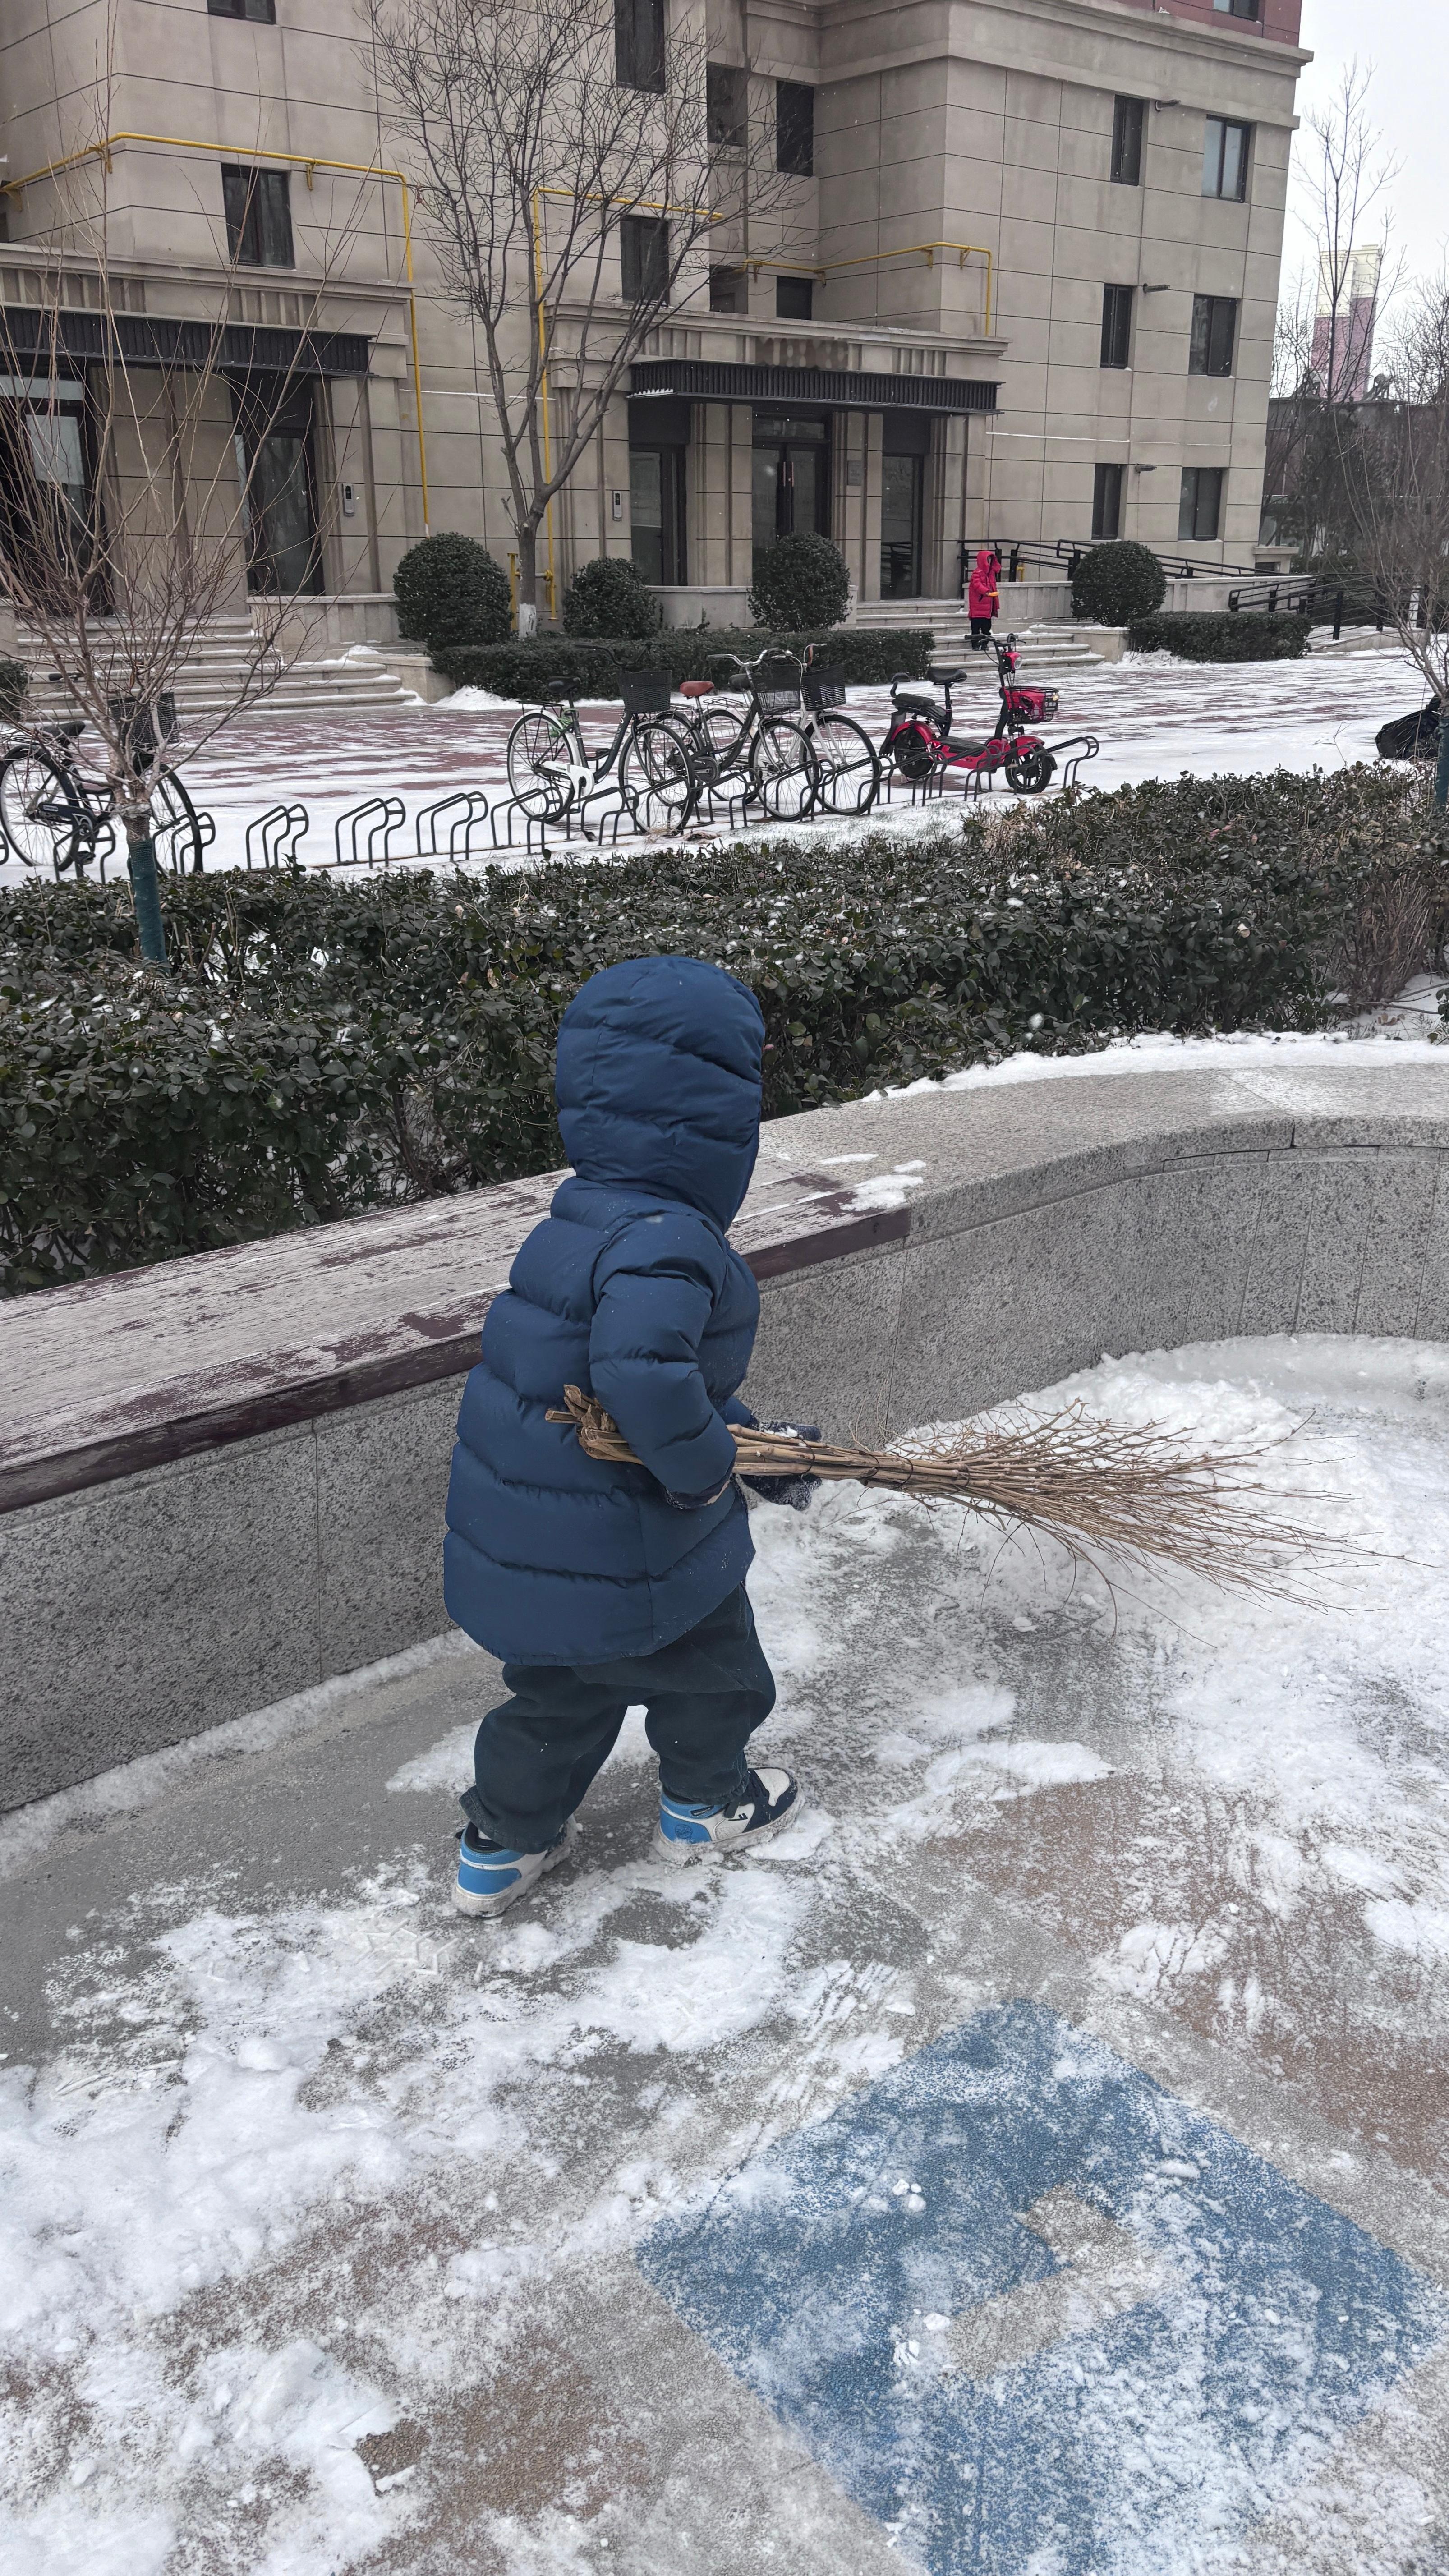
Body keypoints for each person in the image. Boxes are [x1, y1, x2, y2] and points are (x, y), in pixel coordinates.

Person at [442, 954, 814, 1920]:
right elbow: (641, 1379)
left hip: (539, 1539)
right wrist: (703, 1476)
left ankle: (500, 1847)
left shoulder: (582, 1216)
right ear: (721, 1117)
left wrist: (752, 1442)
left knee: (558, 1695)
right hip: (634, 1545)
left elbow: (609, 1378)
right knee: (718, 1675)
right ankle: (705, 1807)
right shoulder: (671, 1238)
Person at [967, 545, 1001, 650]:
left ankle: (985, 644)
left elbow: (992, 585)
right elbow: (977, 585)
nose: (989, 561)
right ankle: (975, 644)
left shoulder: (991, 573)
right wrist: (987, 592)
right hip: (978, 605)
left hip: (988, 606)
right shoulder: (977, 573)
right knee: (976, 627)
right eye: (988, 559)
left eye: (991, 559)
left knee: (987, 627)